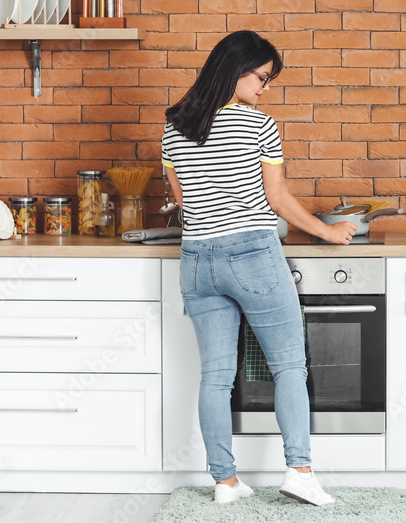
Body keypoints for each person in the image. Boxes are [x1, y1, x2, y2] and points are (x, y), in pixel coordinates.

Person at [161, 30, 357, 506]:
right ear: (235, 69)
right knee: (290, 366)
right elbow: (277, 197)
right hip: (251, 253)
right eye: (262, 77)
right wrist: (328, 232)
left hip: (196, 259)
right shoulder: (258, 125)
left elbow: (183, 202)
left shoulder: (172, 128)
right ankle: (300, 471)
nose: (265, 88)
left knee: (216, 376)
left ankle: (225, 483)